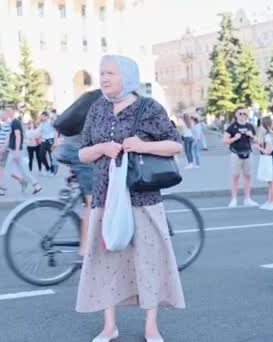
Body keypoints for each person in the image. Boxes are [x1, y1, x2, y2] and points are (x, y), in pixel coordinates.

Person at [76, 55, 185, 342]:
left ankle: (151, 326)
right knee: (106, 260)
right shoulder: (97, 108)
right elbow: (82, 153)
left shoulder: (149, 107)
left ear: (127, 75)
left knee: (149, 259)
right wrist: (102, 147)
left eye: (110, 72)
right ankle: (109, 326)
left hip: (142, 197)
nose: (104, 78)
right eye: (101, 73)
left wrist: (142, 145)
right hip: (106, 197)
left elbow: (176, 145)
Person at [223, 107, 258, 208]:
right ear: (236, 115)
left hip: (248, 153)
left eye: (244, 114)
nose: (242, 116)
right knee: (235, 177)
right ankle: (233, 199)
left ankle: (247, 198)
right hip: (235, 154)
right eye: (240, 114)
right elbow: (224, 140)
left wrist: (252, 136)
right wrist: (234, 138)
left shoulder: (250, 126)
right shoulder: (232, 127)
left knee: (248, 177)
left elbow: (256, 141)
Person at [4, 104, 42, 194]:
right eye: (7, 111)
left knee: (10, 170)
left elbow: (18, 137)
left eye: (9, 111)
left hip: (16, 150)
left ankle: (23, 182)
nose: (8, 112)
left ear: (13, 111)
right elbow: (11, 136)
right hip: (14, 150)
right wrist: (5, 147)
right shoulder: (13, 122)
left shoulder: (15, 122)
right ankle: (35, 185)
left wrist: (17, 151)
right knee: (23, 170)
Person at [253, 116, 273, 210]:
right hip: (269, 159)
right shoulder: (269, 135)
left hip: (269, 159)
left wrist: (258, 148)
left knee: (272, 181)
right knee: (270, 181)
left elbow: (267, 151)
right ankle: (270, 201)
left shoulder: (268, 136)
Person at [38, 111, 56, 176]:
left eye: (42, 116)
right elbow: (39, 131)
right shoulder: (42, 123)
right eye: (41, 116)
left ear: (46, 116)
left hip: (51, 141)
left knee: (52, 157)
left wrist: (55, 142)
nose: (41, 118)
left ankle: (52, 171)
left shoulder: (51, 122)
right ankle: (47, 168)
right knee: (41, 155)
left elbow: (55, 131)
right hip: (44, 141)